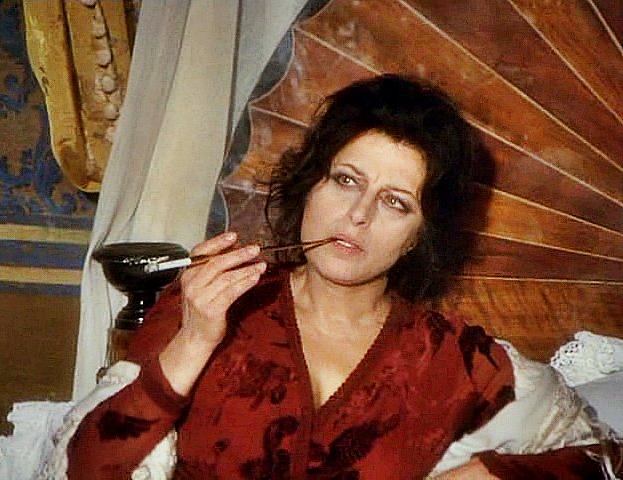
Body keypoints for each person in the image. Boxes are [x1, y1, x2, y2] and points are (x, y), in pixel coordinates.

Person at [66, 74, 620, 479]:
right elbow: (86, 469)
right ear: (312, 184)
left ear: (420, 236)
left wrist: (493, 474)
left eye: (395, 202)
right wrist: (193, 342)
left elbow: (607, 461)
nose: (358, 215)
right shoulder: (213, 303)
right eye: (346, 180)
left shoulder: (455, 359)